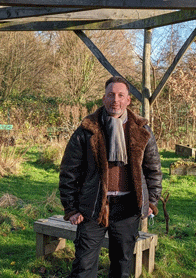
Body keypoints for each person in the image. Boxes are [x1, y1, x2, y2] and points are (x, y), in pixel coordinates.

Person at [59, 76, 162, 278]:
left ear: (128, 100)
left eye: (120, 95)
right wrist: (71, 209)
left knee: (122, 265)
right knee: (83, 266)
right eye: (111, 95)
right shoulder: (87, 130)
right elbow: (69, 171)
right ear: (104, 98)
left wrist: (152, 201)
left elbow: (153, 169)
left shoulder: (142, 131)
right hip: (92, 206)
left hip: (128, 207)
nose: (115, 99)